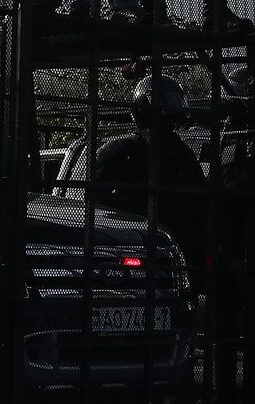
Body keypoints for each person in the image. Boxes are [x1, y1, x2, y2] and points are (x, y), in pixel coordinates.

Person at [84, 74, 209, 265]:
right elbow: (99, 201)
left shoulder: (180, 152)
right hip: (136, 241)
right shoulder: (123, 151)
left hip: (179, 242)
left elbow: (199, 197)